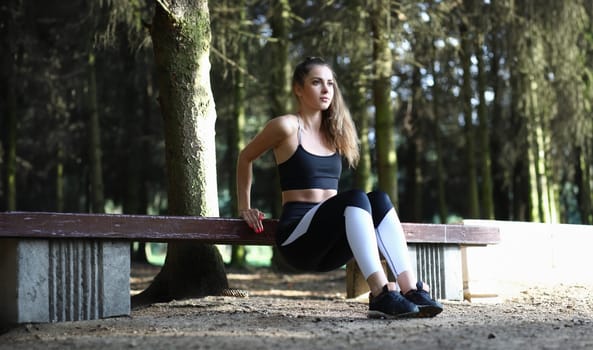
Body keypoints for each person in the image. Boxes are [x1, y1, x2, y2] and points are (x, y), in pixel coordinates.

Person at [236, 57, 443, 318]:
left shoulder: (335, 132)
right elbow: (245, 157)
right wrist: (244, 206)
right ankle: (380, 293)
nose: (326, 90)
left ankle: (410, 289)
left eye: (330, 84)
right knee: (355, 196)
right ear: (298, 89)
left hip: (333, 247)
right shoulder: (287, 126)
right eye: (316, 82)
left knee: (378, 198)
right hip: (298, 241)